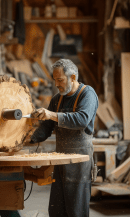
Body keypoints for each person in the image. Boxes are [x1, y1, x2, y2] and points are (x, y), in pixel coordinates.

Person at [29, 59, 99, 217]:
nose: (56, 84)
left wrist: (52, 115)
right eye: (55, 80)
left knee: (76, 211)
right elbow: (46, 128)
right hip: (61, 161)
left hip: (80, 161)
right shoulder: (57, 99)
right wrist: (28, 139)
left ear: (73, 78)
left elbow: (81, 120)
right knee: (56, 210)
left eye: (60, 80)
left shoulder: (87, 94)